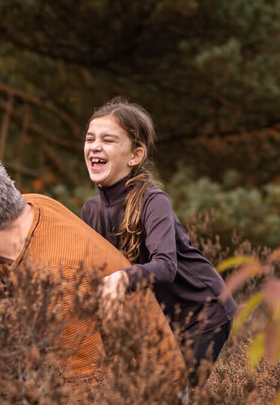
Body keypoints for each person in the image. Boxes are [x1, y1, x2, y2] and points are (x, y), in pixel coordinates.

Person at [0, 157, 184, 389]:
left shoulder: (61, 278)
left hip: (154, 396)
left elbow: (86, 382)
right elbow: (23, 276)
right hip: (122, 374)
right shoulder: (34, 208)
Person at [80, 97, 236, 386]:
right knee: (147, 398)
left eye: (108, 140)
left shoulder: (154, 200)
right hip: (161, 320)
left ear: (135, 155)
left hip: (203, 311)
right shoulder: (91, 210)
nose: (95, 146)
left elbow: (165, 266)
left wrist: (123, 279)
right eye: (90, 139)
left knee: (174, 401)